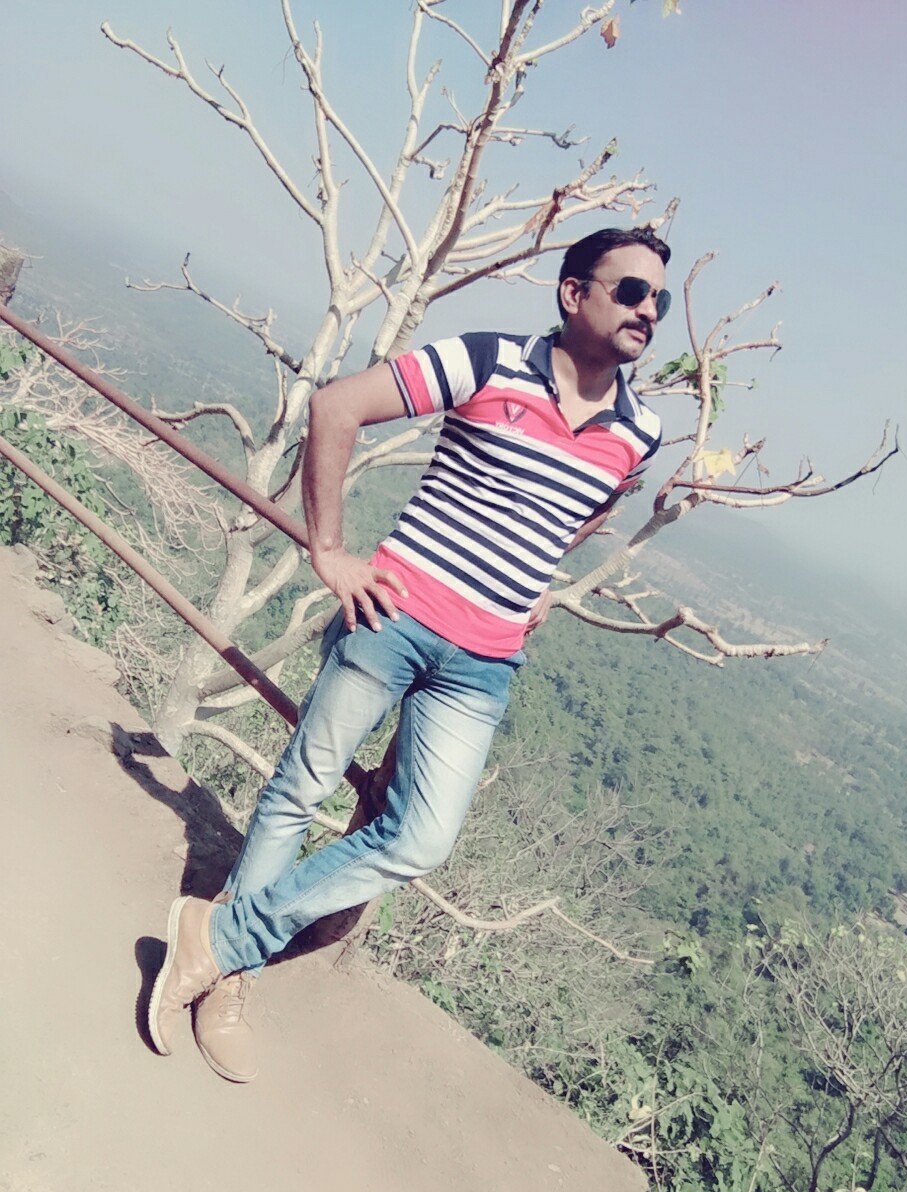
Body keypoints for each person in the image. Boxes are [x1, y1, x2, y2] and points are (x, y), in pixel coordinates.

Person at [147, 225, 671, 1082]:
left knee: (422, 838)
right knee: (303, 789)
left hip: (484, 662)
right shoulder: (488, 360)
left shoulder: (640, 430)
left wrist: (538, 577)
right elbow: (336, 407)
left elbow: (582, 506)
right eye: (631, 291)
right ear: (574, 293)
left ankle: (220, 936)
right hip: (391, 615)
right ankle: (230, 980)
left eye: (659, 300)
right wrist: (328, 550)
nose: (647, 311)